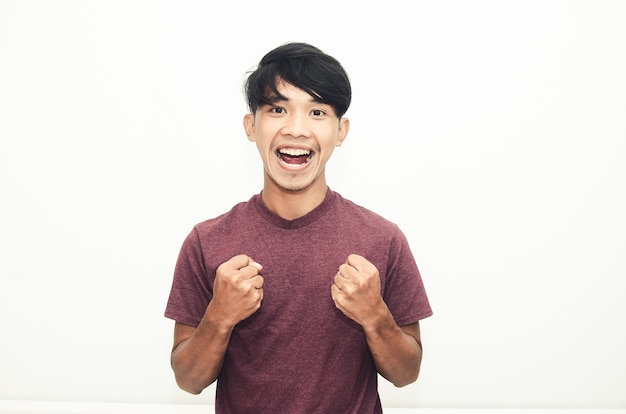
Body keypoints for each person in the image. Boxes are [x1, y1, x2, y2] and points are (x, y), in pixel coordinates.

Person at [164, 42, 432, 413]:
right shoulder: (206, 242)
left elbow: (407, 374)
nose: (296, 128)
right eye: (277, 109)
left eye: (317, 111)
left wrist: (375, 316)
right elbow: (188, 380)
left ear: (341, 131)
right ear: (250, 125)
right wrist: (220, 316)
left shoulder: (382, 239)